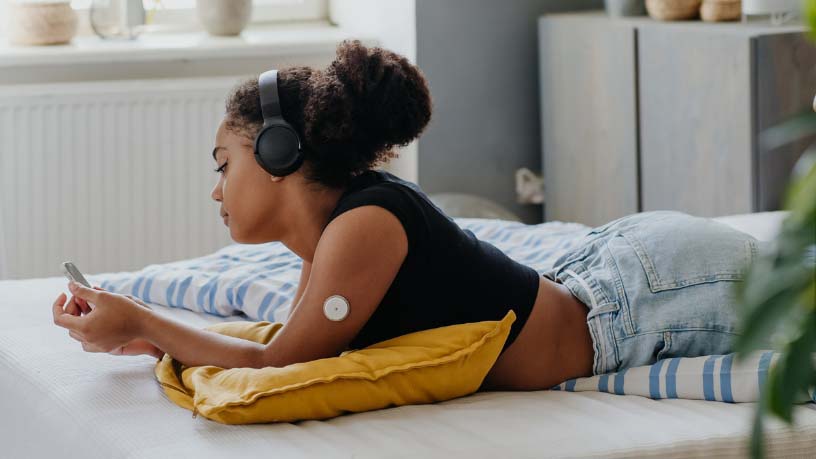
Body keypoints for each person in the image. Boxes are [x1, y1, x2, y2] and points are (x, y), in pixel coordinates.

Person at [51, 40, 762, 391]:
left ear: (278, 151)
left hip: (640, 302)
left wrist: (145, 320)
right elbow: (287, 343)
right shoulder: (335, 239)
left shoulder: (367, 225)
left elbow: (278, 364)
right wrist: (152, 335)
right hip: (604, 276)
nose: (215, 190)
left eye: (222, 163)